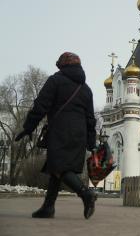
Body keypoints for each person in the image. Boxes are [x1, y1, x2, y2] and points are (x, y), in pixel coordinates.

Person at [15, 52, 97, 219]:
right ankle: (48, 207)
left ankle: (85, 194)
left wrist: (29, 127)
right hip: (79, 135)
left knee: (59, 167)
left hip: (60, 131)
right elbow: (90, 118)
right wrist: (90, 141)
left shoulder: (56, 81)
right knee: (56, 169)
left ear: (62, 65)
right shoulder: (86, 89)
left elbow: (40, 106)